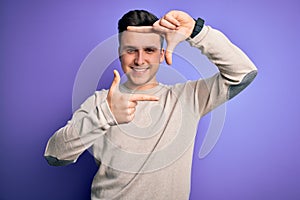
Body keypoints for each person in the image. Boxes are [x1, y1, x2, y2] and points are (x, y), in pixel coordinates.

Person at [44, 9, 257, 200]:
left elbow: (243, 73)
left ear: (162, 55)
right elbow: (55, 156)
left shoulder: (188, 97)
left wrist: (196, 30)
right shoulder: (101, 101)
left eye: (149, 50)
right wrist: (105, 115)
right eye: (130, 50)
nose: (139, 60)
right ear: (120, 54)